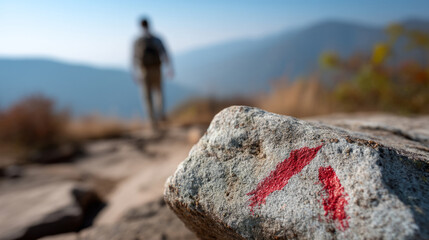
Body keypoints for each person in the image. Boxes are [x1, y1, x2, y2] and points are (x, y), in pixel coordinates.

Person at [133, 18, 174, 129]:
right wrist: (170, 68)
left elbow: (134, 58)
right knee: (159, 93)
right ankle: (160, 115)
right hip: (157, 69)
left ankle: (152, 121)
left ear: (141, 26)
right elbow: (165, 53)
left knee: (147, 97)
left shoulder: (138, 41)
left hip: (144, 71)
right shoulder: (156, 39)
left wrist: (135, 73)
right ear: (149, 25)